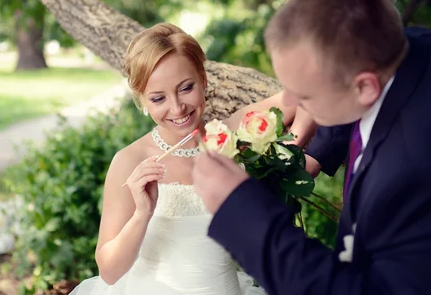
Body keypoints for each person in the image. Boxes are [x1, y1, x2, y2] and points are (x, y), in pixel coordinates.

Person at [192, 0, 431, 295]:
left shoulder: (418, 170)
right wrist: (316, 152)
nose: (288, 102)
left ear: (365, 87)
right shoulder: (417, 49)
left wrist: (240, 210)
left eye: (305, 95)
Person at [70, 23, 317, 295]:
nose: (177, 108)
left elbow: (305, 94)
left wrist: (295, 145)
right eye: (158, 98)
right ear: (141, 101)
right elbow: (109, 270)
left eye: (186, 88)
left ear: (204, 79)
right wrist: (142, 214)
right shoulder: (130, 161)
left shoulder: (229, 136)